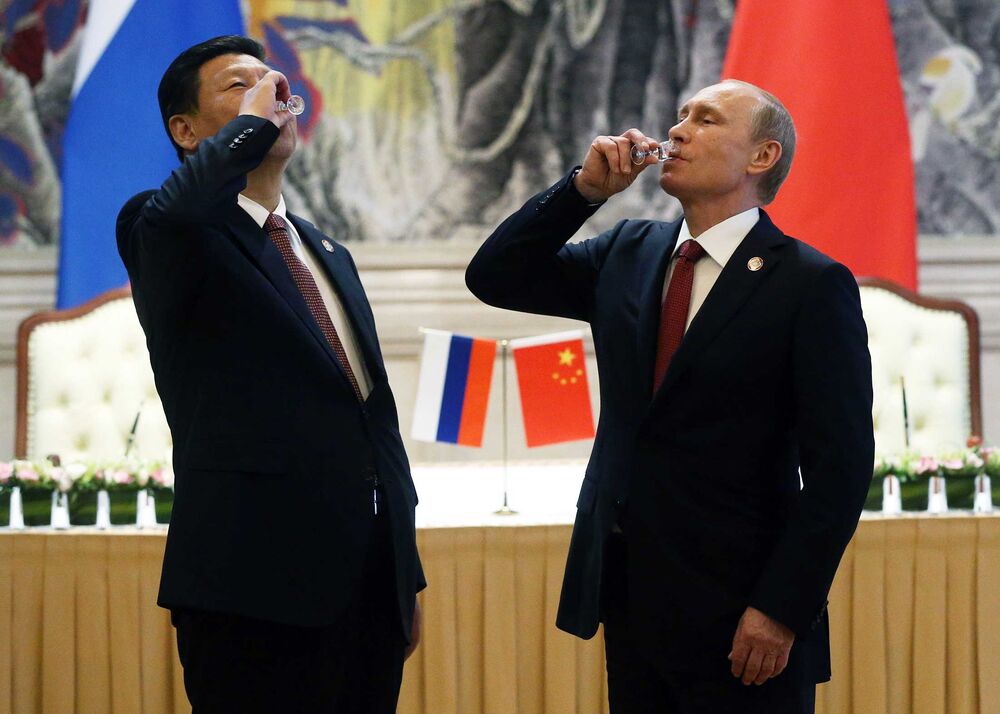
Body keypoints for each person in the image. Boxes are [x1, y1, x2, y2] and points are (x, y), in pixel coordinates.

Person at [466, 79, 874, 712]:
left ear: (760, 157)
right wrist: (582, 193)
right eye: (680, 116)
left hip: (744, 610)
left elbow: (840, 469)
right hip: (632, 592)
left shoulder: (810, 283)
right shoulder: (630, 251)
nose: (678, 131)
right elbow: (494, 275)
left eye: (706, 120)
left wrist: (780, 609)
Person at [117, 35, 424, 712]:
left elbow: (371, 420)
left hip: (368, 588)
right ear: (186, 131)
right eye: (239, 86)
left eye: (274, 82)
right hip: (249, 591)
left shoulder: (324, 247)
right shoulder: (167, 230)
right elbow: (175, 212)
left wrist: (404, 578)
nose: (272, 92)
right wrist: (255, 122)